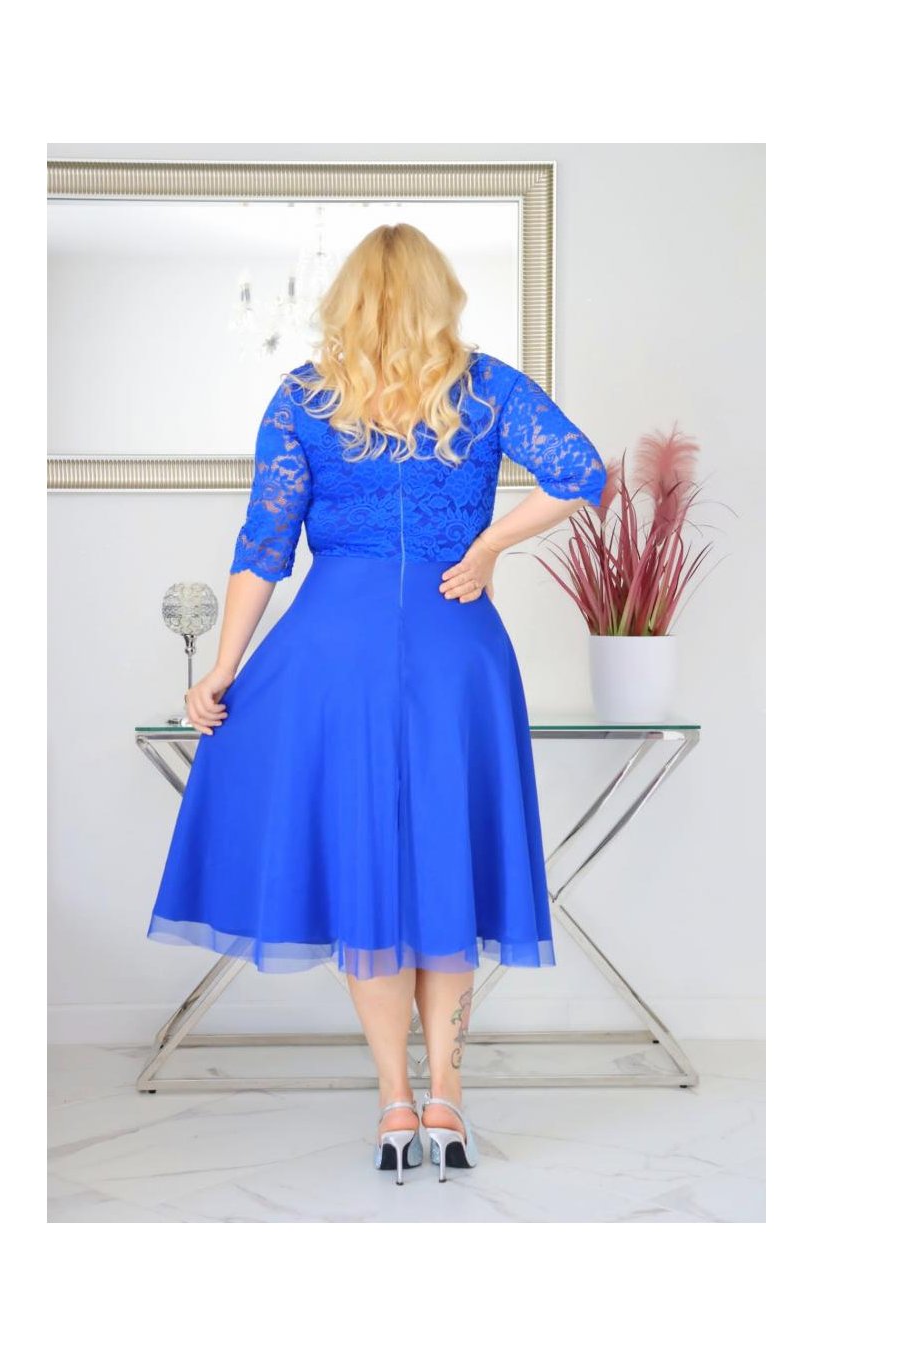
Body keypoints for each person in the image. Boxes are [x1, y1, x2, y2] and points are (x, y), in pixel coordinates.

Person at [146, 223, 607, 1183]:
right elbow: (582, 473)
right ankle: (447, 1097)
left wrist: (222, 668)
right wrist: (487, 548)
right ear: (443, 296)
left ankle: (395, 1103)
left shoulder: (305, 396)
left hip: (333, 653)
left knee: (367, 870)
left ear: (346, 299)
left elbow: (264, 545)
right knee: (446, 865)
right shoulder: (487, 387)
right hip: (456, 648)